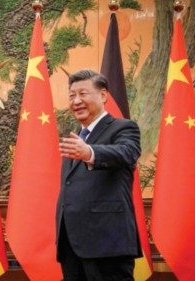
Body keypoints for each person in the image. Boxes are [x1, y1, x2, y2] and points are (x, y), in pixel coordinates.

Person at [57, 70, 141, 281]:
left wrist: (90, 152)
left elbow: (127, 153)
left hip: (107, 244)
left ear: (103, 96)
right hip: (71, 247)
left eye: (83, 94)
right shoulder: (77, 136)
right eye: (71, 95)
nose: (76, 101)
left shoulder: (123, 127)